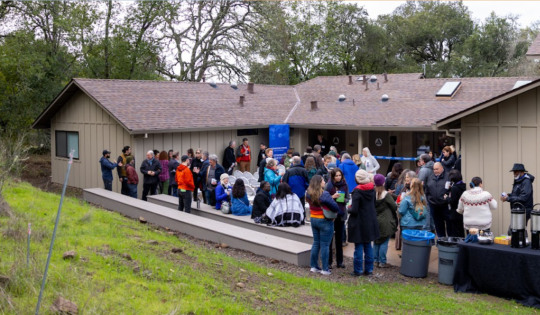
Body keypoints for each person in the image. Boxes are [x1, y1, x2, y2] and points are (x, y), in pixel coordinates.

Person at [306, 175, 341, 275]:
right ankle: (325, 268)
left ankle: (314, 266)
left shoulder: (308, 193)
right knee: (325, 245)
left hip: (313, 219)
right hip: (324, 220)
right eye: (322, 181)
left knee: (316, 243)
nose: (324, 182)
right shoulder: (324, 194)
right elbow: (335, 207)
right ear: (319, 183)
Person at [348, 170, 380, 277]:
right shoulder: (372, 189)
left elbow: (355, 209)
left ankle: (358, 270)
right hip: (370, 221)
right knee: (368, 246)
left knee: (358, 247)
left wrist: (348, 208)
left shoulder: (357, 191)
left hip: (359, 222)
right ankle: (369, 269)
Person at [325, 168, 350, 269]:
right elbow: (324, 198)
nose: (338, 177)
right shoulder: (329, 185)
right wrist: (332, 197)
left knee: (339, 240)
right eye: (336, 176)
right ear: (332, 176)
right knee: (330, 239)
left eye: (340, 175)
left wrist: (343, 199)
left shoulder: (345, 185)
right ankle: (329, 262)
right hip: (331, 214)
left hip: (341, 214)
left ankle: (340, 261)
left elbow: (348, 198)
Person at [373, 174, 397, 268]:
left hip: (375, 219)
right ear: (383, 182)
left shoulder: (372, 193)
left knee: (376, 241)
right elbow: (394, 207)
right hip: (386, 220)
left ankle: (375, 260)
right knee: (384, 241)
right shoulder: (385, 194)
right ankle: (382, 261)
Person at [425, 162, 451, 237]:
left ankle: (450, 240)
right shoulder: (430, 177)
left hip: (445, 205)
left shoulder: (448, 176)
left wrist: (446, 198)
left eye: (437, 169)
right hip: (434, 205)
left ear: (442, 168)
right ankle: (441, 240)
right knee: (438, 225)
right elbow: (427, 190)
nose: (435, 170)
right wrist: (430, 200)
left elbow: (451, 189)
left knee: (449, 224)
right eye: (434, 169)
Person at [445, 170, 466, 237]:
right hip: (463, 211)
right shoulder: (463, 186)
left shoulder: (454, 188)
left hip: (455, 212)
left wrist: (446, 198)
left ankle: (456, 245)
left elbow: (452, 201)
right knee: (461, 231)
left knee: (455, 232)